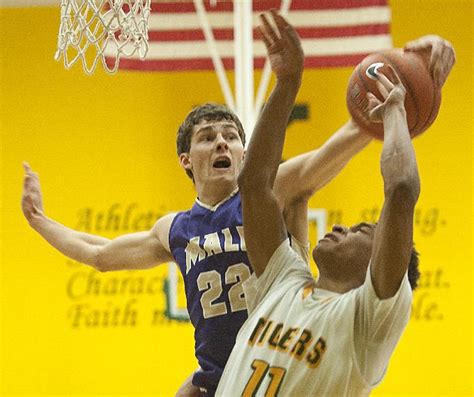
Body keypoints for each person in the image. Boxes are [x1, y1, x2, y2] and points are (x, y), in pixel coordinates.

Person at [21, 8, 454, 396]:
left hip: (290, 345)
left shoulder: (278, 191)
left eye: (231, 136)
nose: (222, 142)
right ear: (186, 160)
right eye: (209, 137)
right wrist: (40, 221)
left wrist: (403, 89)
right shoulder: (174, 228)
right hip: (220, 376)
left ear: (246, 154)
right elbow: (99, 254)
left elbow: (342, 148)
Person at [215, 16, 455, 397]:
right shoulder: (284, 280)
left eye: (361, 230)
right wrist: (287, 83)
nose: (341, 228)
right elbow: (255, 185)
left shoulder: (370, 320)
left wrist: (396, 112)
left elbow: (402, 189)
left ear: (379, 261)